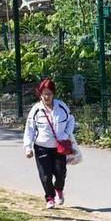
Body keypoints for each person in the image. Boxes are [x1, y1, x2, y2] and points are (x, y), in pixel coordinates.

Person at [23, 79, 76, 209]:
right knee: (45, 175)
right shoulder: (36, 110)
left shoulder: (62, 107)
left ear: (54, 94)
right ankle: (50, 198)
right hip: (41, 147)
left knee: (60, 173)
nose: (47, 97)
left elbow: (71, 120)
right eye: (44, 94)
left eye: (50, 94)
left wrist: (66, 134)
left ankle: (59, 190)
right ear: (40, 94)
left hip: (60, 147)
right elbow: (29, 129)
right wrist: (28, 147)